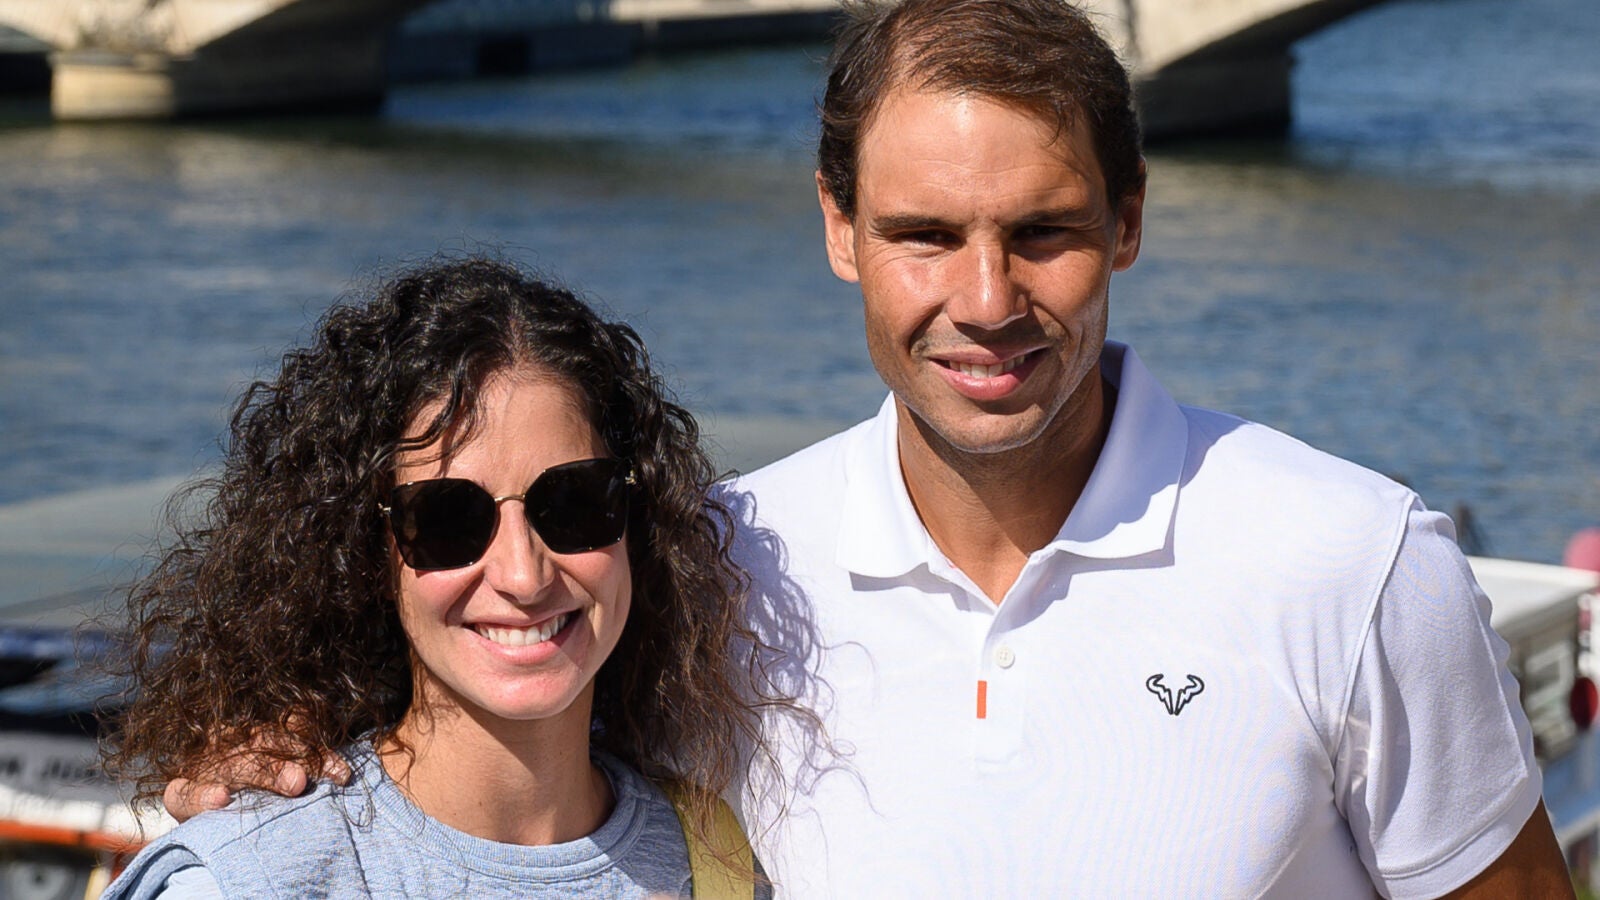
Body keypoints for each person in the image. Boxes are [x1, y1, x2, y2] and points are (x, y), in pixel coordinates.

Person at [165, 0, 1575, 896]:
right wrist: (274, 755)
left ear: (1130, 222)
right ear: (840, 229)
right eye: (924, 235)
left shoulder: (1350, 561)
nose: (985, 299)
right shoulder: (722, 569)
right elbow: (493, 686)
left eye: (1043, 232)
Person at [102, 258, 779, 898]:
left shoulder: (716, 861)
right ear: (366, 554)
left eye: (573, 503)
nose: (522, 574)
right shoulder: (256, 879)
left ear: (637, 518)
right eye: (449, 518)